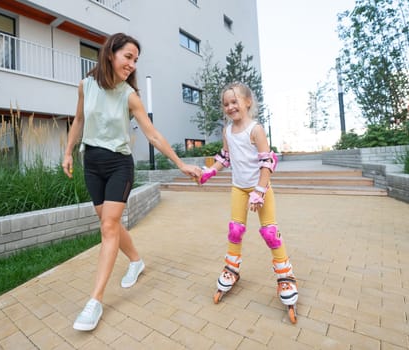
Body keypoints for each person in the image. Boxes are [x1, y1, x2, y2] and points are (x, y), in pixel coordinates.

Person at [62, 33, 201, 331]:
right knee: (107, 221)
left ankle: (95, 301)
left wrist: (180, 163)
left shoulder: (129, 95)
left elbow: (152, 134)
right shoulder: (85, 85)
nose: (132, 64)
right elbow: (79, 121)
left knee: (108, 227)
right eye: (128, 56)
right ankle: (136, 261)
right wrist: (68, 152)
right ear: (110, 53)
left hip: (118, 164)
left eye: (135, 60)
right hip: (92, 164)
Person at [198, 82, 298, 322]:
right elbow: (224, 157)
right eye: (226, 104)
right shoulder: (227, 131)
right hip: (239, 188)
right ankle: (232, 269)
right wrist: (210, 171)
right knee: (235, 230)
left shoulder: (255, 129)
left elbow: (268, 161)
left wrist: (260, 190)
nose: (230, 107)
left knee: (270, 232)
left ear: (247, 103)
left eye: (235, 102)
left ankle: (286, 277)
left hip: (260, 188)